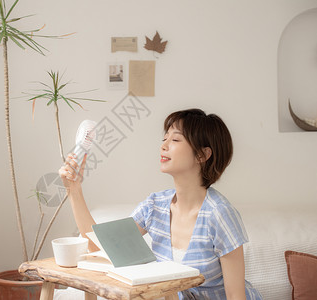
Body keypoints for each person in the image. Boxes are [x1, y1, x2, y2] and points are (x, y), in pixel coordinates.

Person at [59, 108, 262, 300]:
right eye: (164, 138)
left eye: (175, 139)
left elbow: (236, 296)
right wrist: (74, 190)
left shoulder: (220, 214)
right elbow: (101, 246)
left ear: (202, 155)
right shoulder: (154, 206)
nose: (163, 145)